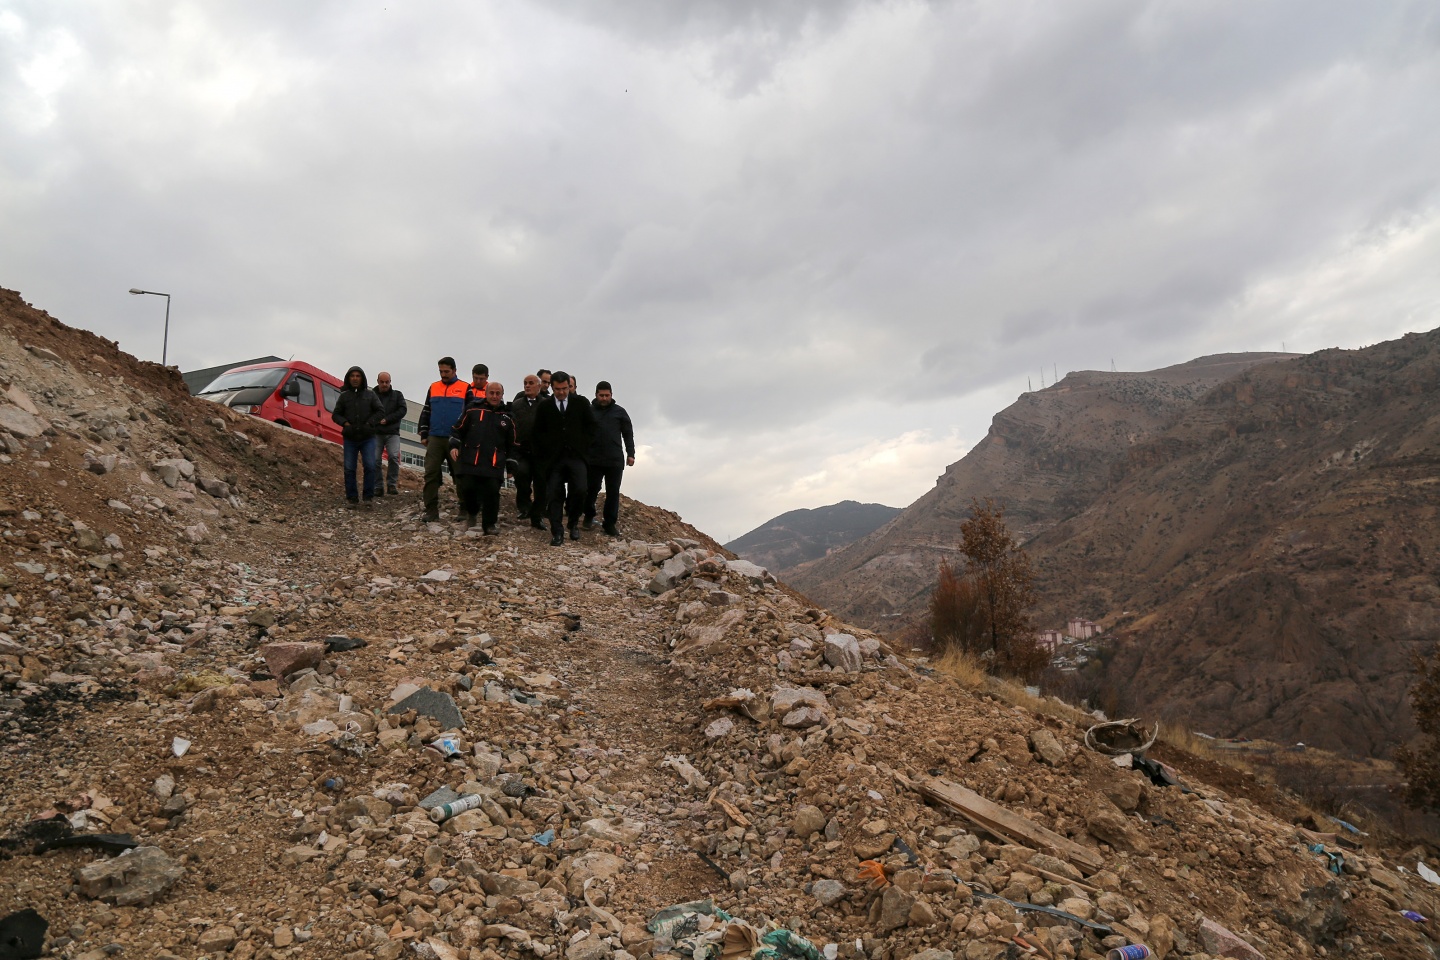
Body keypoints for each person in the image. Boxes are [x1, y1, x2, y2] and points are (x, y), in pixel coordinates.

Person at [532, 371, 593, 546]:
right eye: (557, 389)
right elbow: (537, 433)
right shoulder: (544, 406)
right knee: (554, 494)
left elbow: (591, 427)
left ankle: (573, 523)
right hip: (553, 460)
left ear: (569, 386)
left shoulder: (581, 403)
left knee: (580, 490)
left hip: (576, 457)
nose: (561, 392)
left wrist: (584, 447)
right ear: (552, 387)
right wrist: (543, 455)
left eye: (564, 388)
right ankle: (557, 532)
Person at [448, 382, 515, 534]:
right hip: (471, 458)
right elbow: (457, 429)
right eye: (492, 393)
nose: (494, 396)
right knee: (468, 488)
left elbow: (513, 443)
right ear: (486, 393)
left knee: (492, 492)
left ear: (502, 395)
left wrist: (511, 465)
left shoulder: (508, 416)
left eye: (498, 393)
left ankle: (489, 525)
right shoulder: (472, 409)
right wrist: (454, 446)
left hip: (494, 462)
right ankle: (472, 513)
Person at [417, 356, 472, 522]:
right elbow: (426, 410)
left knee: (460, 474)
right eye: (441, 371)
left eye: (446, 371)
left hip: (456, 438)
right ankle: (431, 510)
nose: (443, 374)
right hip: (435, 437)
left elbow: (471, 414)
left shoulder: (465, 388)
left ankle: (465, 508)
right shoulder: (433, 387)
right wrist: (424, 433)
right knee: (430, 473)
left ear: (454, 370)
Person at [584, 381, 635, 536]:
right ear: (596, 395)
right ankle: (588, 516)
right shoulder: (588, 411)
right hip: (593, 459)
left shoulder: (620, 412)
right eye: (601, 395)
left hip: (614, 460)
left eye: (607, 395)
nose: (604, 398)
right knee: (591, 489)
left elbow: (628, 433)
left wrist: (631, 454)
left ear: (611, 395)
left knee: (613, 492)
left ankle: (610, 524)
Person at [330, 366, 383, 508]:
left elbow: (380, 411)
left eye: (358, 376)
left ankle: (368, 498)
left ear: (362, 378)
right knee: (349, 468)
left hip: (368, 437)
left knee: (370, 466)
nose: (355, 378)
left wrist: (370, 423)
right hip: (350, 438)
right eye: (352, 376)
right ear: (348, 378)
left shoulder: (371, 395)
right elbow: (336, 414)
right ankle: (352, 498)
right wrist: (345, 424)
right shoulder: (344, 396)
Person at [509, 373, 547, 528]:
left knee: (541, 483)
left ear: (539, 386)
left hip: (540, 452)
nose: (527, 386)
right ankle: (524, 507)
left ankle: (538, 514)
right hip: (522, 451)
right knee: (522, 476)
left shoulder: (546, 405)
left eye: (531, 383)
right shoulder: (516, 405)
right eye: (525, 383)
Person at [373, 371, 406, 498]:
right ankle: (378, 486)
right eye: (382, 382)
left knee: (393, 456)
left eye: (387, 382)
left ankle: (391, 484)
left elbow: (402, 410)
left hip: (393, 433)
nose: (384, 384)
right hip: (376, 433)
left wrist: (388, 419)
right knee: (375, 459)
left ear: (390, 382)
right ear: (378, 382)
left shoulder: (397, 395)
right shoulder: (371, 395)